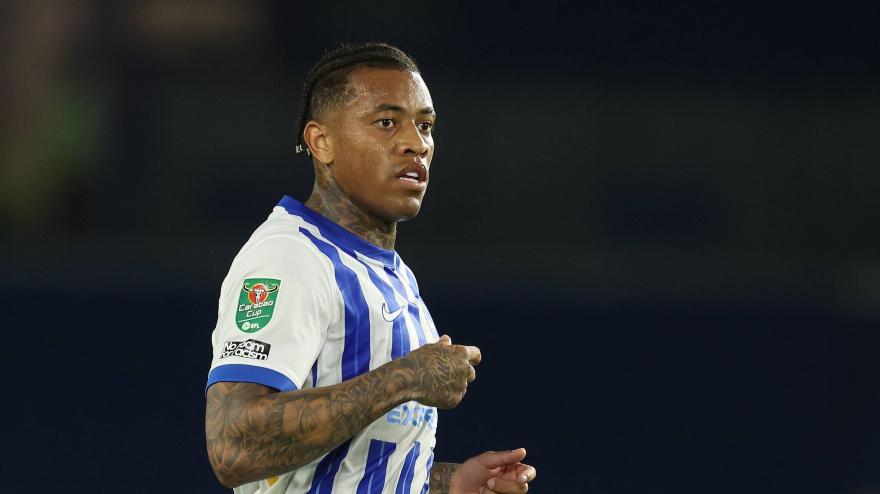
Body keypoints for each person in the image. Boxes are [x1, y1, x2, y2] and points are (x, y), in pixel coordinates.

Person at [204, 42, 537, 494]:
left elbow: (344, 468)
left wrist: (445, 482)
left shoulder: (391, 273)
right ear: (321, 142)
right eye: (387, 123)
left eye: (425, 126)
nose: (415, 144)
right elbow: (233, 447)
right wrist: (406, 378)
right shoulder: (291, 257)